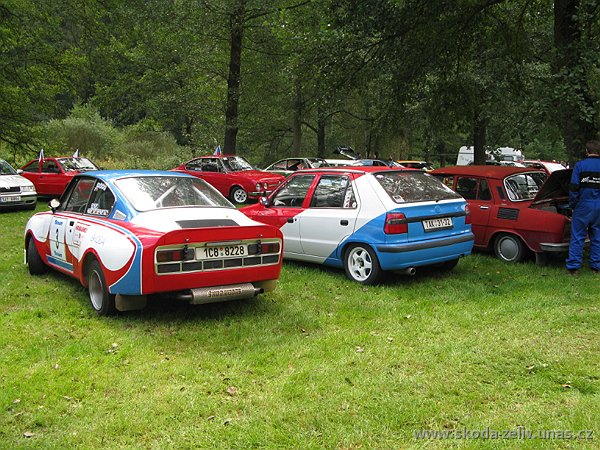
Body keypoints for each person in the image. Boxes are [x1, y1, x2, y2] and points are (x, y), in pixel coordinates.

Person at [566, 140, 600, 275]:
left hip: (583, 205)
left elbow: (574, 188)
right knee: (597, 237)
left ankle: (574, 267)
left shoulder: (580, 166)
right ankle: (596, 267)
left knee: (578, 236)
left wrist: (573, 205)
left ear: (587, 151)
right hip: (599, 205)